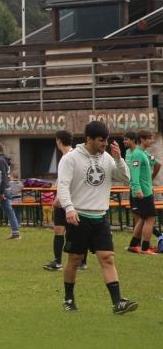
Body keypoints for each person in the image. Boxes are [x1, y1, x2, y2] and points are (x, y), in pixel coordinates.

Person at [57, 121, 136, 314]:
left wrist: (119, 159)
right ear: (89, 139)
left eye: (106, 140)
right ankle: (68, 299)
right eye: (101, 140)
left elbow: (125, 178)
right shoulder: (70, 159)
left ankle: (117, 303)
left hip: (100, 217)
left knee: (107, 258)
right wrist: (69, 208)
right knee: (75, 259)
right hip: (78, 217)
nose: (105, 144)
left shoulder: (107, 158)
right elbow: (63, 186)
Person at [44, 131, 88, 271]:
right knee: (61, 229)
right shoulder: (71, 156)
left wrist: (58, 199)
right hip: (72, 200)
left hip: (69, 201)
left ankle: (80, 261)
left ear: (58, 141)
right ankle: (59, 261)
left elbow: (68, 182)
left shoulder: (69, 158)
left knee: (71, 232)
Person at [124, 130, 156, 255]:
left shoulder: (143, 153)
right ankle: (145, 248)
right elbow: (134, 173)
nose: (152, 141)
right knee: (150, 218)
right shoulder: (137, 154)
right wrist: (137, 189)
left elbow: (155, 164)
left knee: (143, 218)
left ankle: (133, 245)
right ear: (142, 139)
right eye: (150, 138)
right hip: (143, 193)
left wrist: (149, 185)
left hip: (146, 190)